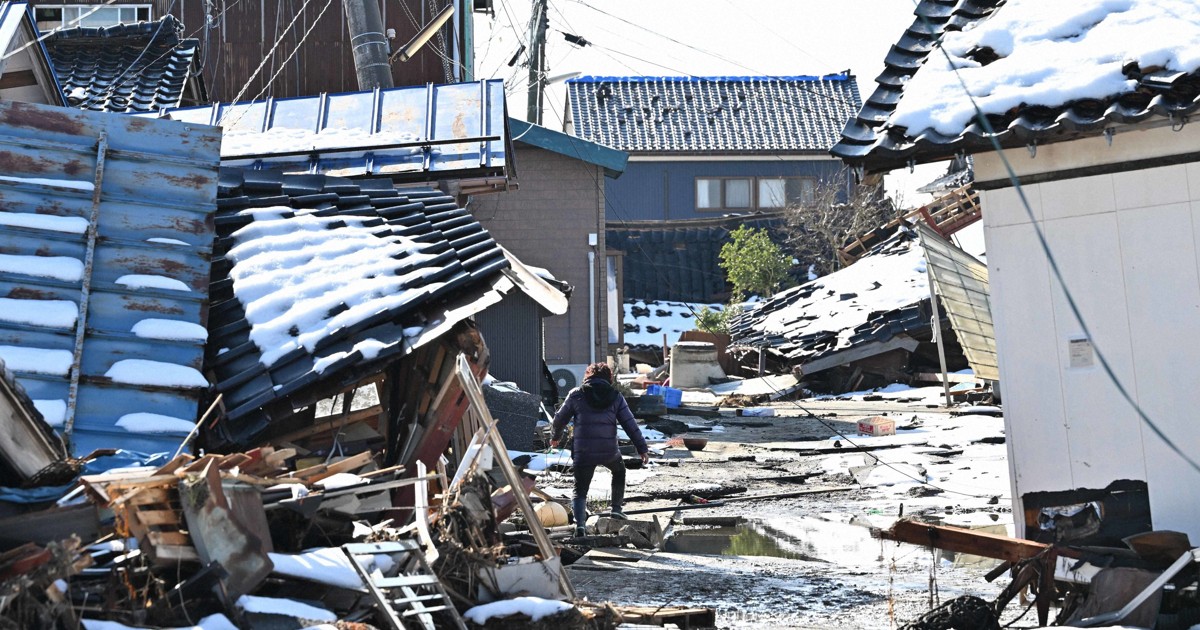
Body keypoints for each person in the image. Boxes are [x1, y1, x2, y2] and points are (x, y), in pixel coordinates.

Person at [550, 362, 649, 536]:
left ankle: (580, 526)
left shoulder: (576, 394)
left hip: (583, 452)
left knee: (580, 489)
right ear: (608, 378)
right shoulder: (616, 396)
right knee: (619, 471)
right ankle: (616, 509)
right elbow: (630, 424)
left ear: (588, 376)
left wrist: (555, 437)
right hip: (609, 450)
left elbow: (559, 420)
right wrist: (642, 448)